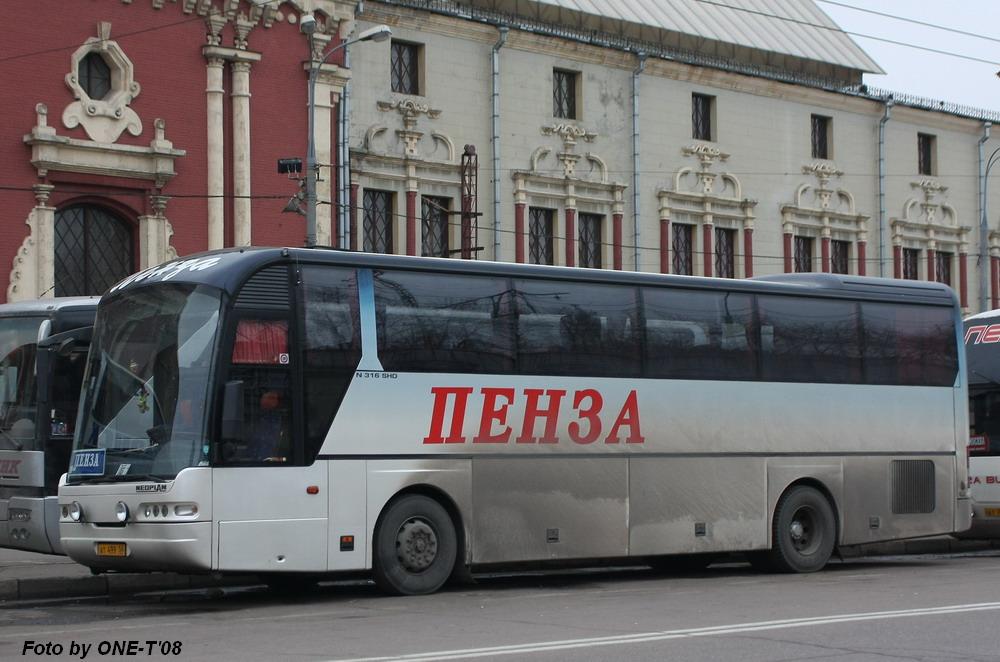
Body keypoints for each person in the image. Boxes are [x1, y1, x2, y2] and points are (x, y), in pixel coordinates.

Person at [248, 389, 288, 462]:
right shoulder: (258, 419)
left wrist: (280, 459)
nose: (267, 401)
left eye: (272, 398)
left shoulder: (282, 421)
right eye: (265, 398)